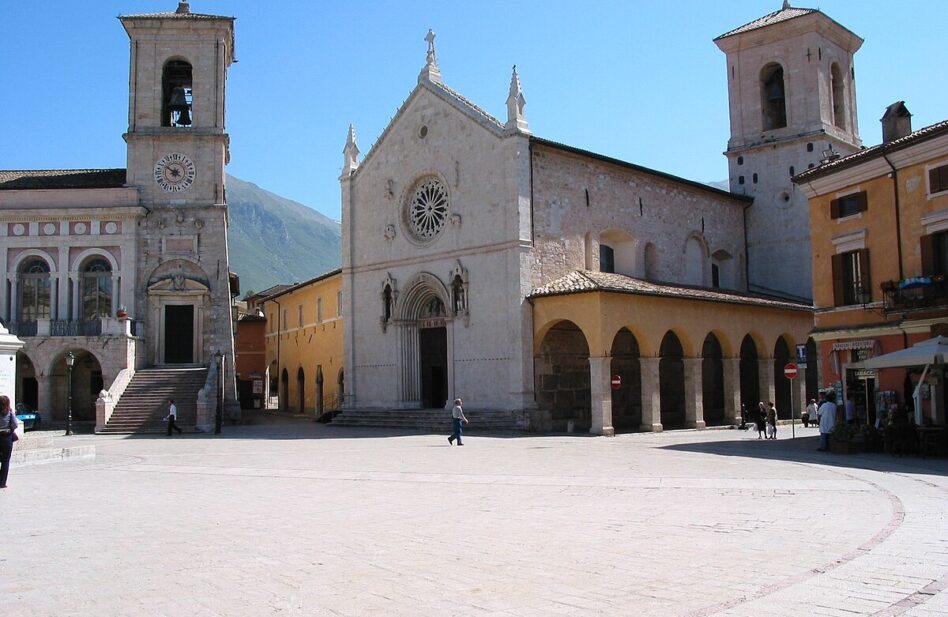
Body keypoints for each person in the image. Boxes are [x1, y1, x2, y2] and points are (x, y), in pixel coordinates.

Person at [0, 395, 18, 489]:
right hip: (7, 438)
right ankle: (2, 483)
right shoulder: (10, 413)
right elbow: (15, 425)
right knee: (5, 461)